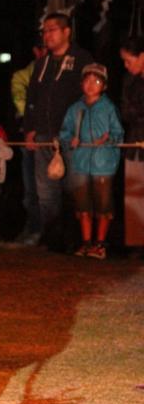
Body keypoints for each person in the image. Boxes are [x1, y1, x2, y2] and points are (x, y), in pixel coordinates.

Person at [23, 12, 92, 252]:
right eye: (44, 30)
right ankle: (50, 237)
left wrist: (83, 131)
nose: (47, 35)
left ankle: (76, 239)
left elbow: (89, 98)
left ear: (66, 31)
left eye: (52, 29)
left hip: (72, 137)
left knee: (74, 188)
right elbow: (32, 97)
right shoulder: (42, 63)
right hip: (43, 135)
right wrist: (29, 129)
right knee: (45, 191)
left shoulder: (82, 59)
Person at [58, 64, 123, 259]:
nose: (91, 85)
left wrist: (107, 140)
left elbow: (119, 134)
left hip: (104, 163)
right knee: (83, 203)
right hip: (80, 161)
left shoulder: (109, 108)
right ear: (81, 84)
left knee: (103, 203)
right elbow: (64, 132)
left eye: (96, 81)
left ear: (104, 86)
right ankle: (86, 242)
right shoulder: (75, 109)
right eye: (87, 80)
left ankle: (100, 244)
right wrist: (71, 140)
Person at [10, 42, 47, 245]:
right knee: (32, 189)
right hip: (31, 137)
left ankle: (50, 231)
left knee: (51, 190)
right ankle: (33, 227)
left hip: (54, 137)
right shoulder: (22, 76)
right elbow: (23, 104)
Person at [119, 37, 144, 257]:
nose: (127, 66)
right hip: (135, 142)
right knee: (135, 195)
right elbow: (126, 111)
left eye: (129, 60)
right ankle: (137, 244)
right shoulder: (130, 81)